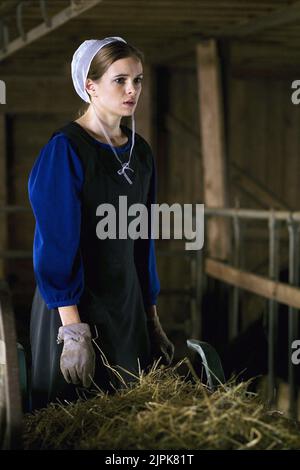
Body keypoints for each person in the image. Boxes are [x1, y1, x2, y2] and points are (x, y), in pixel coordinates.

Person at [28, 37, 175, 410]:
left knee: (127, 413)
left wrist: (150, 316)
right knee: (72, 416)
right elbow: (56, 243)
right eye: (120, 80)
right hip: (74, 306)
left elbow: (143, 238)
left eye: (138, 80)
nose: (132, 90)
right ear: (90, 86)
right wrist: (75, 333)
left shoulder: (139, 152)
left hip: (125, 304)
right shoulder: (66, 150)